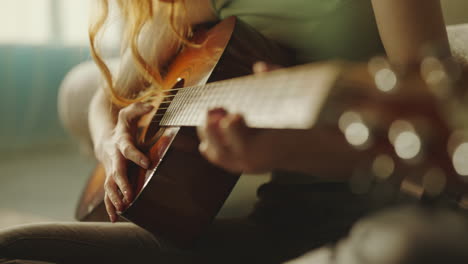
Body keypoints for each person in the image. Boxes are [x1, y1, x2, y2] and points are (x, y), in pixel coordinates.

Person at [2, 0, 467, 263]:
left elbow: (436, 120)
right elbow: (110, 97)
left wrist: (288, 150)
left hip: (369, 211)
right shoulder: (199, 3)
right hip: (275, 223)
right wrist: (110, 143)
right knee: (17, 250)